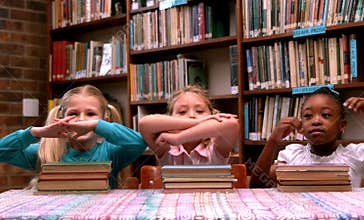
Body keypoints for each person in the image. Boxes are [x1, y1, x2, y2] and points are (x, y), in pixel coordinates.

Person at [0, 85, 147, 189]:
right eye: (73, 114)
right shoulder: (45, 152)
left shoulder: (112, 152)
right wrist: (36, 133)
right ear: (60, 118)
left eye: (90, 114)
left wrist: (96, 125)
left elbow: (139, 142)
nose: (81, 119)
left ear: (104, 119)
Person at [249, 87, 364, 188]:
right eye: (308, 116)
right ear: (301, 126)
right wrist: (273, 141)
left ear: (342, 125)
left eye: (326, 115)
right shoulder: (292, 154)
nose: (316, 121)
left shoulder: (355, 154)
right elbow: (257, 186)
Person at [139, 85, 239, 165]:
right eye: (182, 112)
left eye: (200, 111)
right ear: (170, 119)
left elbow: (232, 124)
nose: (191, 116)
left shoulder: (215, 148)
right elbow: (144, 124)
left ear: (212, 115)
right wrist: (198, 122)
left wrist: (178, 138)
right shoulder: (167, 148)